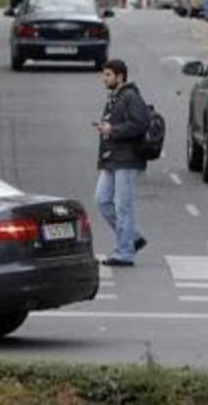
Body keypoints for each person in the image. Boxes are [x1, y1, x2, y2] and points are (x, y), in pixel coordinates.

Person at [92, 59, 150, 267]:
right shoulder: (115, 97)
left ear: (120, 77)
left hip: (127, 159)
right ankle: (132, 237)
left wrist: (112, 130)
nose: (104, 79)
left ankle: (124, 253)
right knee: (102, 200)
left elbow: (141, 124)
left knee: (123, 207)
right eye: (104, 74)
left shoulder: (131, 96)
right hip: (112, 159)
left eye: (108, 75)